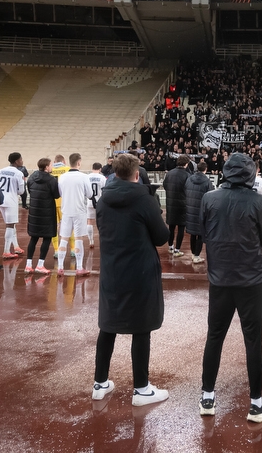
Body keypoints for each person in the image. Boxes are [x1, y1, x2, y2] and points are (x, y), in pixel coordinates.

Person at [199, 153, 262, 422]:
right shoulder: (259, 201)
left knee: (215, 336)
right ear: (250, 174)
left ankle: (207, 396)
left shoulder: (210, 198)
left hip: (220, 277)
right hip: (250, 279)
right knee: (252, 339)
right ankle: (256, 402)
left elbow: (203, 230)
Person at [92, 153, 171, 405]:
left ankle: (100, 383)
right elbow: (161, 237)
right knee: (141, 327)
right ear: (137, 174)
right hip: (139, 270)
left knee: (108, 325)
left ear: (115, 173)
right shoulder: (144, 199)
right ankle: (141, 388)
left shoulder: (103, 200)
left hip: (112, 269)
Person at [56, 153, 93, 276]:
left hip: (66, 210)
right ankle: (79, 267)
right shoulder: (83, 177)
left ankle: (60, 267)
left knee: (64, 238)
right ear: (79, 162)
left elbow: (60, 193)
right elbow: (90, 194)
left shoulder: (62, 177)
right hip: (79, 211)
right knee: (78, 239)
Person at [25, 157, 59, 275]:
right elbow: (56, 195)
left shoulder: (32, 177)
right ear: (46, 167)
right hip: (47, 212)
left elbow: (30, 189)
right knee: (47, 238)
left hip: (34, 211)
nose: (52, 167)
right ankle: (40, 265)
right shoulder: (52, 180)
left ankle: (28, 265)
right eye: (51, 165)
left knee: (33, 238)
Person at [0, 152, 26, 259]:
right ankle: (6, 251)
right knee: (10, 225)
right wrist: (14, 190)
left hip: (0, 200)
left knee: (11, 224)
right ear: (17, 161)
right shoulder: (18, 173)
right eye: (21, 159)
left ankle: (16, 246)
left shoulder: (1, 171)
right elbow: (21, 191)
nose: (22, 161)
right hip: (11, 201)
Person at [184, 160, 214, 263]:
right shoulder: (207, 181)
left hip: (190, 209)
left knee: (193, 233)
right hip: (201, 210)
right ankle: (196, 256)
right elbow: (210, 196)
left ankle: (193, 254)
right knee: (200, 233)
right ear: (206, 169)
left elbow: (185, 190)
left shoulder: (189, 179)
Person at [163, 155, 191, 257]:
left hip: (170, 203)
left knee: (171, 226)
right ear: (186, 164)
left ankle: (170, 247)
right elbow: (189, 189)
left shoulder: (169, 173)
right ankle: (177, 249)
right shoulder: (187, 175)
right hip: (183, 204)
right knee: (181, 227)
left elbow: (165, 186)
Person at [87, 163, 107, 251]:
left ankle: (91, 241)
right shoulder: (103, 178)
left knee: (89, 221)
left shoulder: (87, 177)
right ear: (100, 169)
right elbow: (105, 190)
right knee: (102, 222)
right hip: (100, 202)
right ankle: (103, 241)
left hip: (89, 201)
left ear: (92, 168)